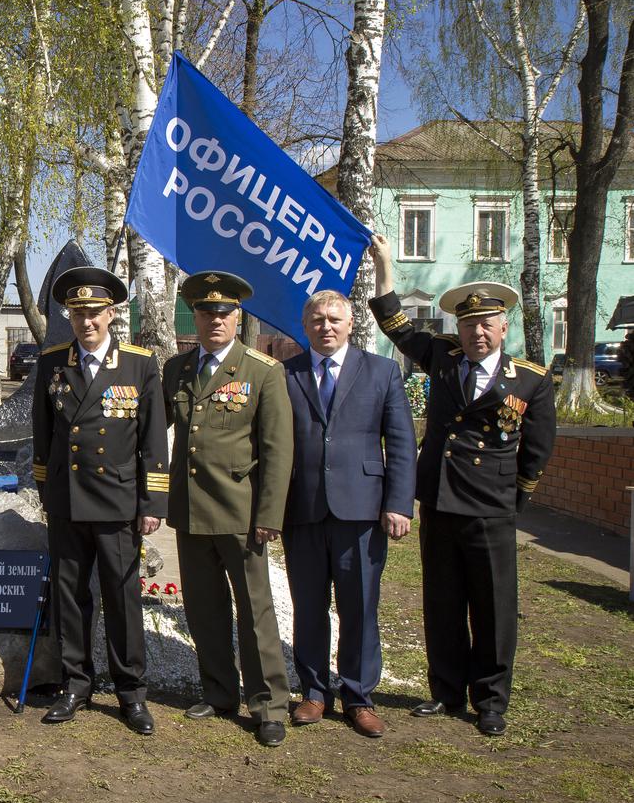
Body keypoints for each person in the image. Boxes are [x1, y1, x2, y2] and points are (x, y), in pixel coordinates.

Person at [369, 233, 556, 737]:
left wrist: (514, 499)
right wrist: (385, 264)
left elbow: (537, 451)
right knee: (443, 600)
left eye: (486, 324)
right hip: (440, 499)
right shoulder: (444, 358)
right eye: (469, 323)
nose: (476, 332)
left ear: (503, 326)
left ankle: (491, 700)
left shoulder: (531, 381)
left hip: (492, 506)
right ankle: (447, 691)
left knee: (494, 606)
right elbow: (394, 323)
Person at [31, 266, 169, 735]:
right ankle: (76, 683)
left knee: (122, 596)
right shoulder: (52, 364)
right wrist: (46, 491)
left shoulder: (139, 364)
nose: (86, 322)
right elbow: (42, 434)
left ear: (111, 314)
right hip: (68, 500)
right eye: (77, 313)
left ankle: (131, 692)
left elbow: (153, 441)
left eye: (94, 313)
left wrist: (152, 504)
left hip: (117, 500)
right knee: (70, 597)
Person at [162, 271, 293, 747]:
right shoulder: (176, 369)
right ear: (194, 317)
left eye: (223, 312)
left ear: (238, 317)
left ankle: (269, 704)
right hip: (191, 510)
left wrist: (269, 516)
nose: (214, 320)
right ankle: (218, 691)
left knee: (256, 611)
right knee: (203, 608)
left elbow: (278, 451)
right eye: (205, 312)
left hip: (242, 512)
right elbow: (159, 437)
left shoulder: (263, 371)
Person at [281, 289, 416, 738]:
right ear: (305, 325)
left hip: (362, 511)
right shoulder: (286, 374)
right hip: (302, 508)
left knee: (359, 606)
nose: (326, 326)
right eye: (317, 319)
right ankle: (315, 692)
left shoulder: (382, 371)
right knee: (309, 607)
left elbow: (400, 443)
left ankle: (359, 696)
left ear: (351, 322)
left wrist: (398, 503)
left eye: (334, 318)